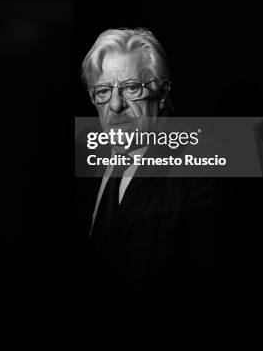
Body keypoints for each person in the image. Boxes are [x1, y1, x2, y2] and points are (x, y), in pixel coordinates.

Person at [75, 27, 215, 303]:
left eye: (131, 88)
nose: (115, 105)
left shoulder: (199, 171)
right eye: (103, 91)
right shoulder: (83, 161)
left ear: (162, 93)